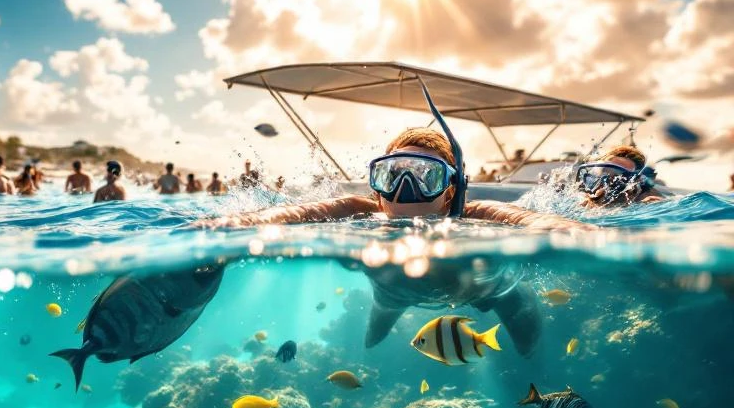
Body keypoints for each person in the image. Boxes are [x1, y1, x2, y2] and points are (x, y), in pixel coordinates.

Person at [204, 82, 586, 354]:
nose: (405, 189)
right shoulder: (358, 209)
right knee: (380, 319)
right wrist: (232, 225)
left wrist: (571, 230)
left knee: (521, 320)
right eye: (392, 174)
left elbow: (531, 220)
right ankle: (383, 318)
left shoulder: (473, 213)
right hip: (391, 293)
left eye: (425, 176)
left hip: (486, 290)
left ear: (451, 189)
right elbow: (303, 212)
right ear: (376, 184)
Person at [575, 145, 663, 207]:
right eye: (604, 171)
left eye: (618, 176)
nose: (607, 179)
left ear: (635, 181)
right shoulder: (580, 197)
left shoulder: (645, 199)